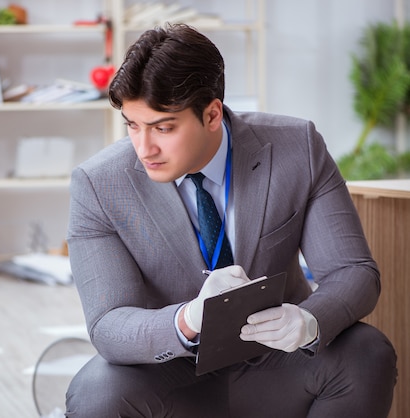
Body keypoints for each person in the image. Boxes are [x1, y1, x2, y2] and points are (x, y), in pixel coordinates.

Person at [65, 23, 397, 417]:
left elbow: (354, 271)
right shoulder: (99, 184)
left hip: (277, 359)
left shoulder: (296, 147)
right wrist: (189, 318)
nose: (144, 148)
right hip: (171, 373)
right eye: (133, 126)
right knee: (96, 393)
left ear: (211, 114)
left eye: (163, 127)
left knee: (367, 352)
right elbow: (108, 325)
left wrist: (309, 320)